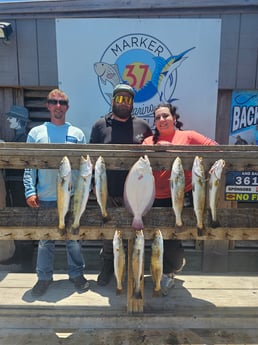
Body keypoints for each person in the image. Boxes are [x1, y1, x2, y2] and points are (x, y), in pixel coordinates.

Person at [143, 103, 218, 295]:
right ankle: (158, 273)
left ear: (174, 118)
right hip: (152, 197)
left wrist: (214, 165)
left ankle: (171, 270)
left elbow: (216, 149)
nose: (162, 120)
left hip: (180, 195)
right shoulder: (148, 141)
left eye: (165, 116)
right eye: (158, 117)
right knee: (153, 237)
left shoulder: (189, 136)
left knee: (173, 239)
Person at [23, 88, 89, 297]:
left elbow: (84, 169)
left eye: (62, 102)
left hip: (71, 199)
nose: (58, 106)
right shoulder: (36, 133)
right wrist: (29, 190)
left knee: (74, 240)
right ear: (48, 106)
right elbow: (28, 165)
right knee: (45, 241)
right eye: (54, 102)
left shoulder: (77, 134)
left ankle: (77, 274)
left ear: (67, 107)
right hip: (45, 197)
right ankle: (43, 278)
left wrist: (81, 195)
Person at [89, 83, 153, 286]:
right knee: (109, 234)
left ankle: (134, 269)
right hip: (108, 190)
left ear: (133, 102)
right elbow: (91, 159)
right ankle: (108, 266)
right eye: (120, 98)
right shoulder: (100, 125)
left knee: (136, 232)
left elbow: (152, 155)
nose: (124, 103)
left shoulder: (143, 126)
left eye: (128, 99)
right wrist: (93, 184)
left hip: (137, 192)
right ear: (113, 100)